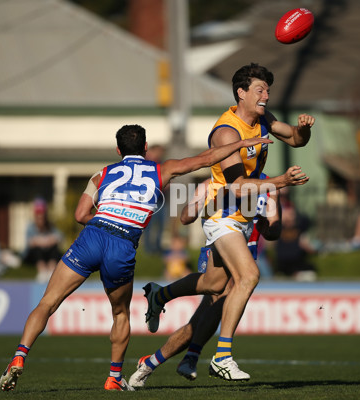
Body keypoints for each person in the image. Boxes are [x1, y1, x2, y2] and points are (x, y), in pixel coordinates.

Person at [0, 124, 272, 392]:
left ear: (118, 149)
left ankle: (20, 354)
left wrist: (108, 217)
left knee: (48, 302)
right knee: (119, 314)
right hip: (122, 244)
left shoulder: (101, 174)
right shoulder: (161, 169)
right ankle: (113, 378)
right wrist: (239, 144)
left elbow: (80, 215)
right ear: (145, 148)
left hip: (92, 236)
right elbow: (204, 159)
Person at [142, 63, 314, 381]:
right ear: (241, 93)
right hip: (222, 212)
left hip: (243, 216)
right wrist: (281, 181)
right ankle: (217, 356)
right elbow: (234, 187)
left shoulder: (264, 122)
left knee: (215, 286)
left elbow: (295, 138)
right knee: (245, 279)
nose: (266, 95)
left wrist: (304, 129)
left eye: (268, 90)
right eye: (260, 90)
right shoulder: (226, 131)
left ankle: (160, 299)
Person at [129, 175, 281, 388]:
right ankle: (195, 356)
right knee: (215, 301)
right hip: (222, 249)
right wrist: (197, 205)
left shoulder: (270, 185)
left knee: (212, 303)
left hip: (245, 253)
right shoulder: (215, 182)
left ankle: (160, 357)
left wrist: (268, 228)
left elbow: (275, 228)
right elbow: (185, 217)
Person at [274, 194, 317, 281]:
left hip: (297, 263)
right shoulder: (278, 226)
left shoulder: (300, 225)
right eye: (287, 213)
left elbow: (308, 221)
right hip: (283, 263)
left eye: (292, 213)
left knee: (310, 273)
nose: (290, 216)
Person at [24, 198, 63, 283]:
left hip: (48, 253)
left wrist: (48, 241)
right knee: (36, 249)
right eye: (38, 217)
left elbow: (59, 236)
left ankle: (51, 271)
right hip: (34, 255)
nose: (40, 220)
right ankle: (42, 271)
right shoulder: (31, 227)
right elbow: (30, 242)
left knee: (54, 248)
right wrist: (42, 241)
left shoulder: (50, 226)